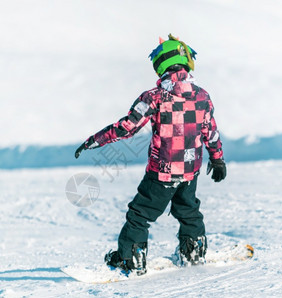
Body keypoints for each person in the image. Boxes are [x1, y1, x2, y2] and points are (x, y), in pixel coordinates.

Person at [74, 34, 226, 276]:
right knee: (189, 211)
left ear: (160, 65)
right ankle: (193, 252)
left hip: (162, 172)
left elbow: (128, 126)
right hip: (190, 171)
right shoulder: (202, 96)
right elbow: (211, 131)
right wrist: (217, 159)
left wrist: (95, 140)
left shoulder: (154, 97)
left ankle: (130, 259)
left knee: (139, 215)